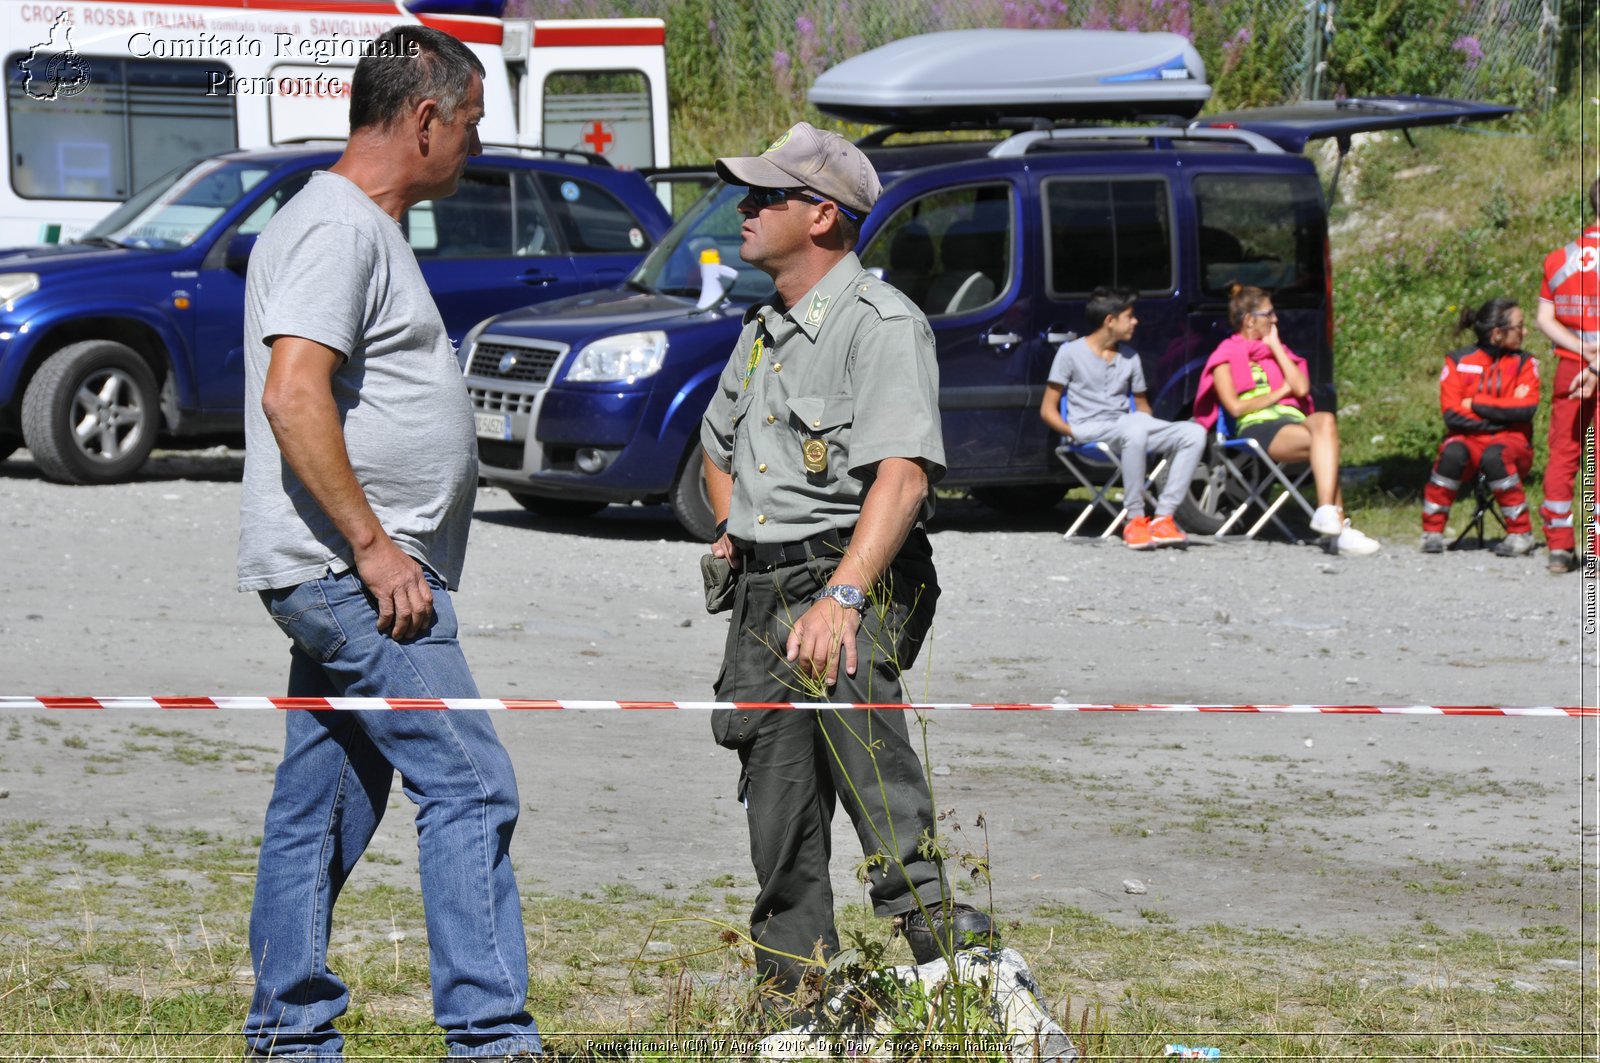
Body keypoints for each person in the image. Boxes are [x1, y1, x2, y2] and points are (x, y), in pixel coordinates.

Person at [235, 26, 541, 1061]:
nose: (474, 146)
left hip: (340, 571)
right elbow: (292, 393)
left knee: (321, 797)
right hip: (355, 576)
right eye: (470, 124)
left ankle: (288, 1030)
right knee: (471, 782)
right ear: (423, 119)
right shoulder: (338, 229)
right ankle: (493, 1038)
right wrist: (374, 548)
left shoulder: (352, 224)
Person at [699, 122, 992, 998]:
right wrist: (734, 526)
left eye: (765, 197)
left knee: (879, 786)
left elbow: (901, 478)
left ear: (822, 216)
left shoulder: (880, 324)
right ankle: (799, 996)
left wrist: (845, 597)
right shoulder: (762, 330)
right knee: (777, 802)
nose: (744, 210)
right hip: (763, 591)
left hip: (842, 577)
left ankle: (964, 982)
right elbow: (718, 452)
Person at [1193, 284, 1380, 555]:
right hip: (1258, 427)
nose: (1275, 319)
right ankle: (1339, 528)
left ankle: (1327, 513)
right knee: (1326, 446)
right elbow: (1235, 407)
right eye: (1268, 314)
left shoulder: (1279, 352)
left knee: (1325, 421)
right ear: (1249, 320)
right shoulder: (1224, 357)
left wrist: (1276, 346)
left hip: (1292, 421)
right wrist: (1280, 392)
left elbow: (1302, 388)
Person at [1038, 286, 1206, 549]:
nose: (1135, 321)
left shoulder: (1130, 357)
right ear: (1110, 320)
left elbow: (1141, 407)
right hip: (1089, 429)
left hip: (1127, 427)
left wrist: (1152, 432)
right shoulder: (1069, 353)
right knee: (1134, 431)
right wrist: (1070, 431)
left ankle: (1163, 517)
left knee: (1193, 432)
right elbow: (1047, 408)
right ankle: (1135, 518)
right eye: (1130, 316)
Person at [1420, 300, 1540, 555]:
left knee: (1495, 455)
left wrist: (1475, 403)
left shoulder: (1525, 363)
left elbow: (1527, 409)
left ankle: (1521, 533)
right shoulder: (1457, 361)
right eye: (1520, 327)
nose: (1525, 332)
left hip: (1513, 443)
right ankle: (1432, 531)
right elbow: (1452, 415)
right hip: (1468, 440)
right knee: (1452, 453)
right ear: (1498, 333)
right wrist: (1503, 414)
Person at [1536, 176, 1600, 574]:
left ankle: (1559, 547)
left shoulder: (1559, 258)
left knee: (1563, 454)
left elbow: (1544, 319)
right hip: (1594, 366)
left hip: (1571, 365)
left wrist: (1584, 350)